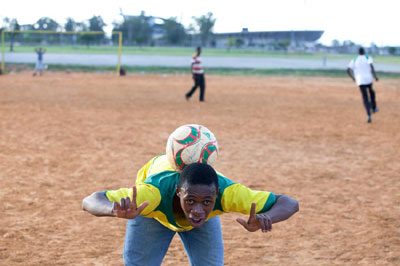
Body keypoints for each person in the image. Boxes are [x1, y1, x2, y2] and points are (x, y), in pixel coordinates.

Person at [82, 155, 299, 266]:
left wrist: (267, 218)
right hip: (150, 214)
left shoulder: (229, 193)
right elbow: (91, 200)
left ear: (216, 195)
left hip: (199, 217)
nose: (197, 210)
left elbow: (289, 202)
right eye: (191, 201)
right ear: (178, 192)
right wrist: (113, 210)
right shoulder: (151, 194)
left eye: (207, 202)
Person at [346, 47, 379, 123]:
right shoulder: (368, 58)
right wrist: (375, 76)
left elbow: (347, 70)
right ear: (364, 52)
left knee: (365, 98)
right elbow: (371, 66)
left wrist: (353, 78)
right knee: (372, 93)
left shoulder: (354, 59)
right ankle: (374, 108)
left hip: (360, 80)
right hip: (368, 79)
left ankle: (368, 114)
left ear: (358, 52)